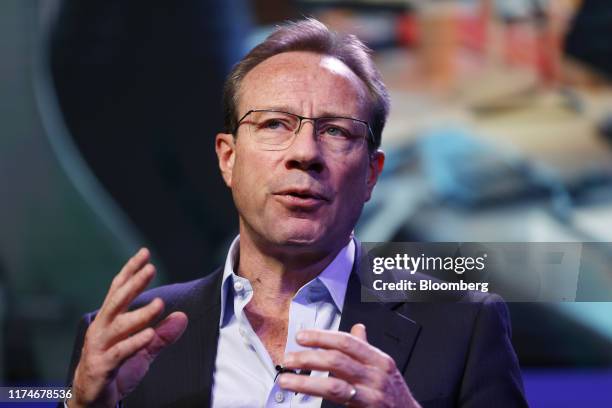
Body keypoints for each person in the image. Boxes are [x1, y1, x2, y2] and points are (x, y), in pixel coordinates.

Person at [65, 18, 527, 408]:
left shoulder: (465, 328)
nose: (305, 153)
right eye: (274, 124)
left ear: (371, 173)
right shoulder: (130, 339)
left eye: (336, 131)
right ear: (228, 158)